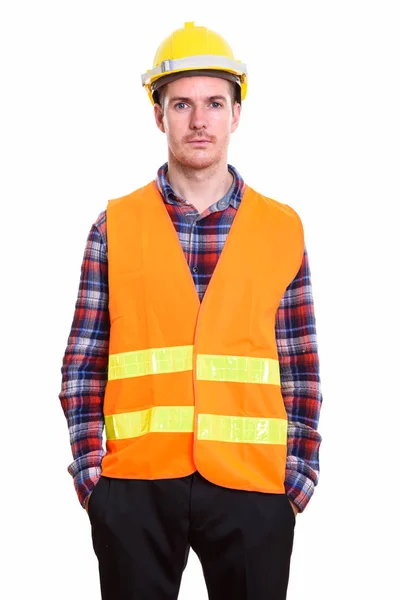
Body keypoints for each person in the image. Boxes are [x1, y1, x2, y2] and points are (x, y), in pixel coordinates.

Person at [59, 20, 323, 600]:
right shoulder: (113, 227)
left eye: (213, 103)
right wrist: (91, 479)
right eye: (181, 104)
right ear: (159, 115)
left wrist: (295, 484)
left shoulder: (282, 229)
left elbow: (301, 369)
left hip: (254, 490)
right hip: (136, 488)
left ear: (235, 114)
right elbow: (82, 362)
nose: (198, 120)